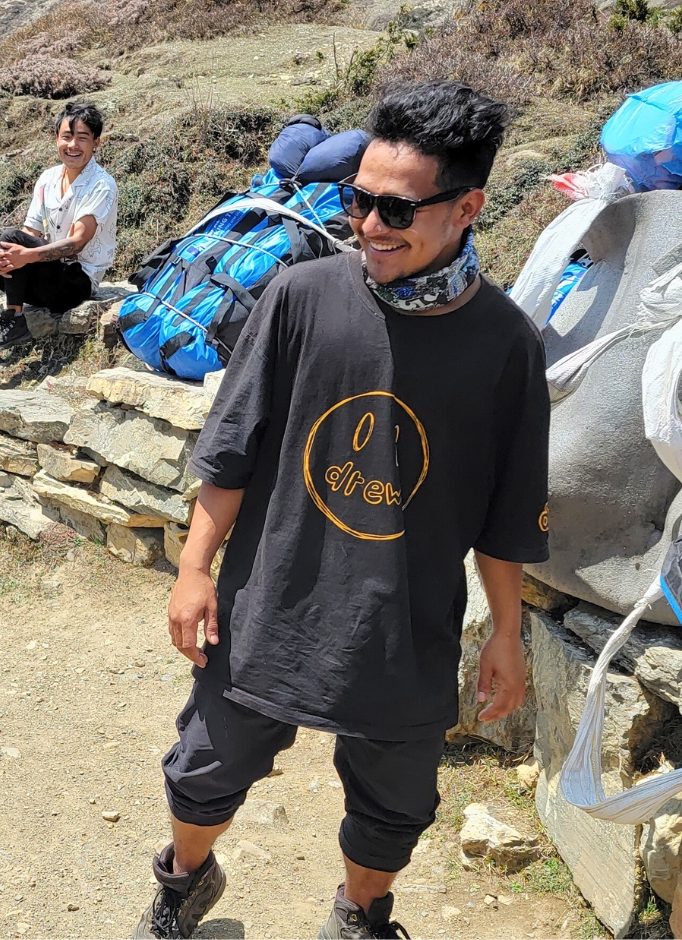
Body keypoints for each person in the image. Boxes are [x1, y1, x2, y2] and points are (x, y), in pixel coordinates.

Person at [131, 81, 550, 940]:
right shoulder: (303, 296)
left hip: (404, 625)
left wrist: (506, 633)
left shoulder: (507, 345)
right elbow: (231, 447)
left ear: (467, 206)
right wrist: (192, 569)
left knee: (394, 804)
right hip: (269, 601)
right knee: (205, 766)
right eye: (358, 199)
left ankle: (359, 917)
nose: (367, 225)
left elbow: (509, 513)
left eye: (395, 209)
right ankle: (182, 886)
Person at [0, 100, 119, 365]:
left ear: (96, 142)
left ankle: (14, 319)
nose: (73, 146)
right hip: (47, 273)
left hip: (76, 281)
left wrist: (26, 255)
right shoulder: (48, 178)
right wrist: (9, 259)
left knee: (11, 239)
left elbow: (78, 243)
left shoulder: (101, 185)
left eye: (82, 138)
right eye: (67, 137)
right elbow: (29, 231)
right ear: (56, 138)